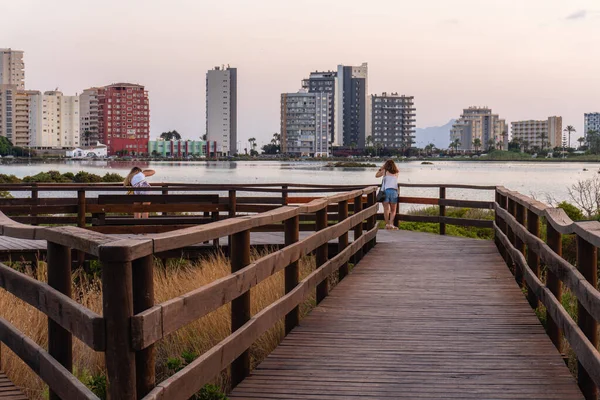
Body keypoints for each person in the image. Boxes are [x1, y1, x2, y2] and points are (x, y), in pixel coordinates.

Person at [375, 159, 399, 230]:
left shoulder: (384, 171)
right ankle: (391, 224)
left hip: (386, 192)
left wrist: (381, 168)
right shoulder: (397, 172)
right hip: (394, 191)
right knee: (393, 210)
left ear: (386, 165)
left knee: (386, 209)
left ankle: (387, 224)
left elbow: (376, 175)